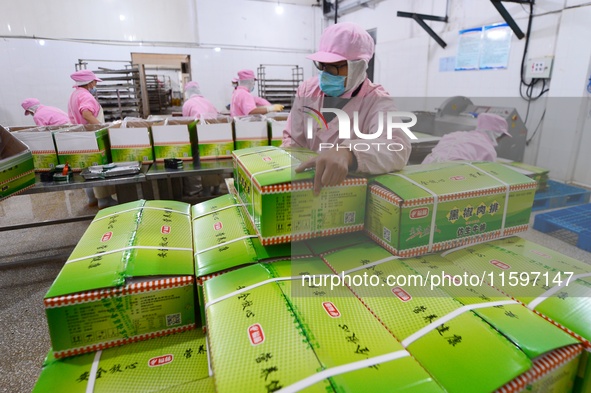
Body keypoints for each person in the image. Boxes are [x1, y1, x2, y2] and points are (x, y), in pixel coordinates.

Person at [282, 22, 411, 194]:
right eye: (322, 65)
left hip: (348, 193)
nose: (326, 73)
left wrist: (349, 152)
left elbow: (397, 147)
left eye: (335, 66)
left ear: (358, 66)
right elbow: (292, 140)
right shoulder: (308, 90)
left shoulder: (376, 100)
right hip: (305, 185)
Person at [67, 69, 116, 209]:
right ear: (89, 83)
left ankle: (92, 199)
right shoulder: (85, 96)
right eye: (95, 82)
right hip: (92, 137)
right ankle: (104, 201)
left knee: (87, 169)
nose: (96, 84)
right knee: (99, 168)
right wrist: (102, 127)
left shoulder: (74, 95)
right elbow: (87, 114)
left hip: (80, 137)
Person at [181, 81, 221, 196]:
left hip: (199, 135)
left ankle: (205, 191)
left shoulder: (188, 104)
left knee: (202, 162)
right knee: (214, 161)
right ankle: (217, 189)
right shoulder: (207, 101)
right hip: (215, 134)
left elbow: (186, 122)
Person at [421, 113, 511, 164]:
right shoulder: (488, 149)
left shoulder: (456, 134)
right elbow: (489, 176)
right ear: (496, 135)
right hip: (451, 175)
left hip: (425, 166)